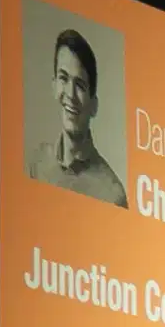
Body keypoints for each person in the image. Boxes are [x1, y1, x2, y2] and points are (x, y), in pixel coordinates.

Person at [32, 22, 125, 203]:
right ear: (54, 86)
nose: (71, 95)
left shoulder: (112, 194)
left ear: (94, 105)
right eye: (64, 78)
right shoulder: (36, 164)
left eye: (80, 85)